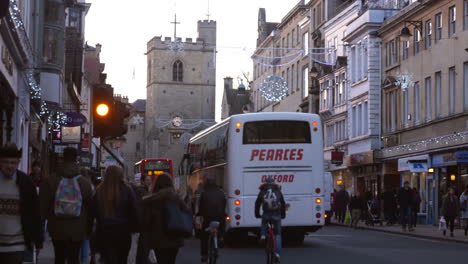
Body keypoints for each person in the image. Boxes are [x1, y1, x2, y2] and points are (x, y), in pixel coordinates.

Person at [40, 147, 94, 264]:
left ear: (62, 158)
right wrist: (88, 228)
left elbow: (42, 207)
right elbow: (90, 208)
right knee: (74, 258)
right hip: (78, 228)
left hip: (57, 227)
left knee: (59, 257)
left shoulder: (51, 180)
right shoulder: (85, 183)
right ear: (76, 159)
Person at [0, 144, 43, 263]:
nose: (9, 166)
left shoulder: (25, 183)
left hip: (17, 244)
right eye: (6, 162)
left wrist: (38, 239)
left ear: (18, 163)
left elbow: (34, 212)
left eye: (13, 163)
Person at [93, 165, 138, 264]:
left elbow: (94, 212)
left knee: (108, 260)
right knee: (122, 260)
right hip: (123, 233)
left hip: (104, 232)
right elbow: (134, 210)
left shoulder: (99, 190)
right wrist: (134, 228)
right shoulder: (127, 190)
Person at [142, 173, 188, 264]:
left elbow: (146, 221)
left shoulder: (152, 200)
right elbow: (186, 213)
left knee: (161, 260)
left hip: (158, 239)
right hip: (175, 236)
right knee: (171, 260)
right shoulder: (176, 198)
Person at [255, 178, 286, 262]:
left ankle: (263, 235)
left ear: (265, 183)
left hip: (266, 214)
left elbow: (257, 203)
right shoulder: (278, 190)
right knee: (278, 234)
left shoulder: (262, 190)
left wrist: (257, 214)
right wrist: (283, 214)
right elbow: (283, 203)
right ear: (274, 183)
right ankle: (277, 254)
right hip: (276, 214)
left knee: (264, 223)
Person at [198, 178, 226, 263]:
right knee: (222, 224)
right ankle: (221, 237)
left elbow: (201, 207)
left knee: (204, 236)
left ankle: (204, 254)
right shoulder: (221, 193)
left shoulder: (204, 194)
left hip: (208, 218)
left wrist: (200, 213)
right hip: (219, 217)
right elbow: (224, 204)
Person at [134, 174, 153, 264]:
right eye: (147, 180)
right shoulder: (141, 191)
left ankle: (142, 260)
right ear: (142, 181)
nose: (149, 182)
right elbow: (141, 207)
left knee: (143, 245)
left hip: (145, 222)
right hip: (144, 222)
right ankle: (143, 260)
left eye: (150, 180)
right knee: (145, 244)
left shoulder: (145, 190)